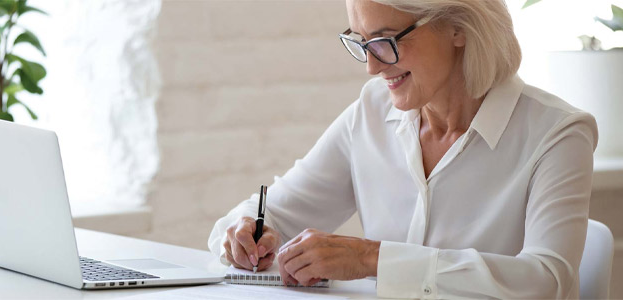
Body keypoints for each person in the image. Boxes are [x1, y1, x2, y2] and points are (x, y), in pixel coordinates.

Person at [208, 0, 598, 298]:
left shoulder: (557, 133)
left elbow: (549, 282)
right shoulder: (372, 112)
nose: (372, 68)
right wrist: (242, 235)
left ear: (458, 25)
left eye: (385, 41)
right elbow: (272, 210)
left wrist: (369, 258)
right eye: (361, 43)